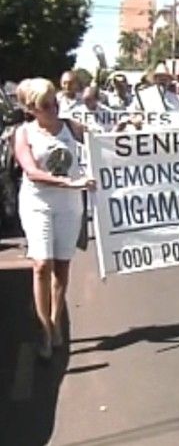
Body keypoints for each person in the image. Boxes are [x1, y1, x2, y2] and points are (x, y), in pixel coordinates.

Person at [13, 77, 95, 360]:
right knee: (41, 264)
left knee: (61, 268)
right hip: (38, 204)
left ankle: (56, 318)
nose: (53, 108)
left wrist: (127, 129)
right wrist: (71, 183)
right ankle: (45, 331)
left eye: (54, 102)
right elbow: (32, 172)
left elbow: (104, 143)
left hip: (69, 207)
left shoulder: (71, 127)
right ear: (31, 109)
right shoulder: (23, 134)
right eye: (45, 105)